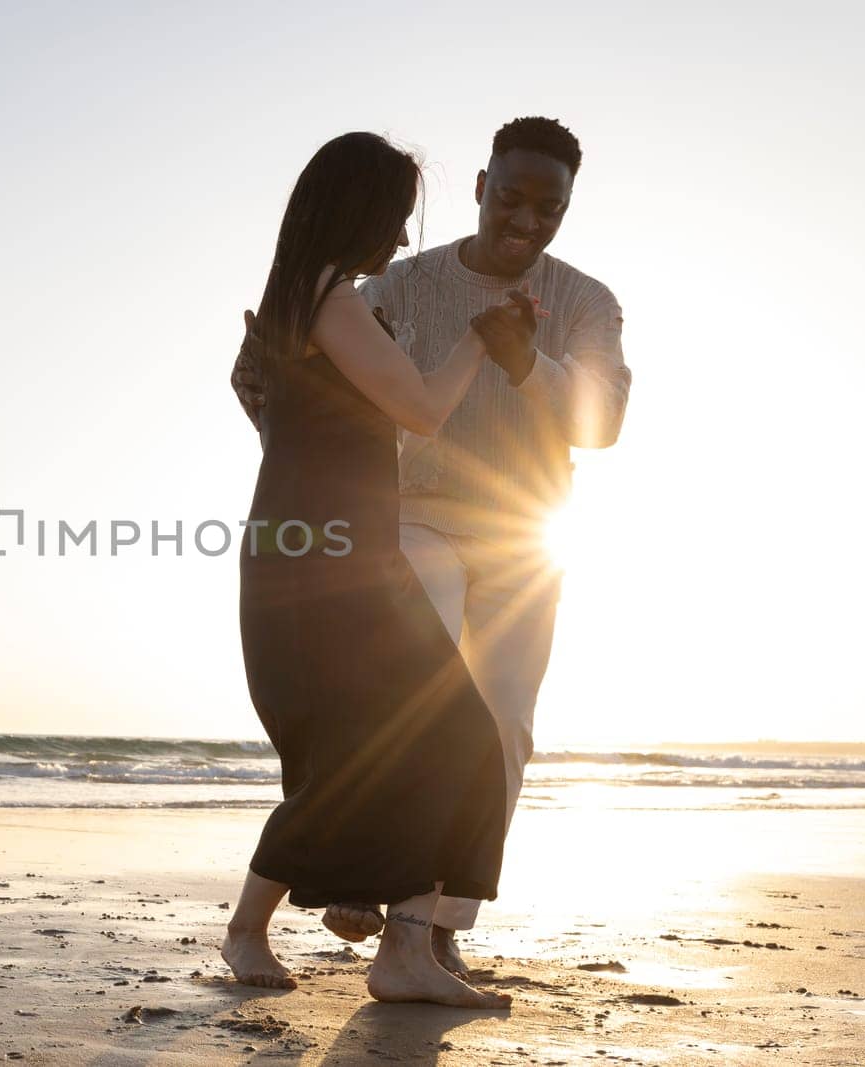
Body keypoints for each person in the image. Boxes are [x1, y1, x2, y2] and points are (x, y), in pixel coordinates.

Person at [231, 116, 632, 977]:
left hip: (527, 534)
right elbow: (305, 378)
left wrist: (529, 364)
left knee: (500, 725)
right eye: (514, 197)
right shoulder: (396, 285)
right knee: (416, 697)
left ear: (566, 208)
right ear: (483, 186)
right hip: (412, 517)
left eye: (550, 206)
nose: (528, 219)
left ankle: (435, 922)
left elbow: (603, 424)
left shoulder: (587, 301)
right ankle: (376, 879)